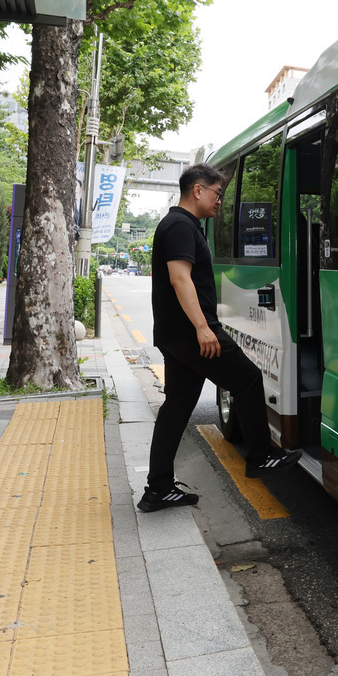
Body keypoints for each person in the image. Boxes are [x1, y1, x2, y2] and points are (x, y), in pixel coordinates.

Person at [139, 163, 300, 513]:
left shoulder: (178, 224)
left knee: (177, 407)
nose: (220, 202)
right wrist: (202, 327)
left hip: (177, 335)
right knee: (247, 379)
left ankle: (158, 488)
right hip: (191, 334)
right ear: (198, 190)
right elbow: (180, 279)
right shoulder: (180, 225)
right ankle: (261, 456)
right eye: (218, 194)